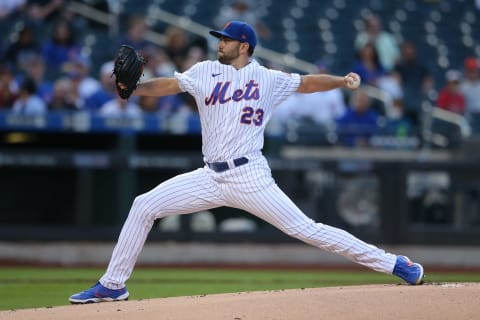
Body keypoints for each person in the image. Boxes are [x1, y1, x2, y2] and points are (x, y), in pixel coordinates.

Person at [69, 21, 424, 304]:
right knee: (143, 205)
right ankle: (113, 285)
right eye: (219, 38)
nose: (219, 43)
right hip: (210, 176)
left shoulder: (267, 78)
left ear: (244, 46)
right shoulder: (205, 70)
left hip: (250, 175)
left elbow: (308, 83)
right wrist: (134, 89)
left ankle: (395, 264)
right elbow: (167, 86)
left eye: (225, 39)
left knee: (307, 229)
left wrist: (341, 81)